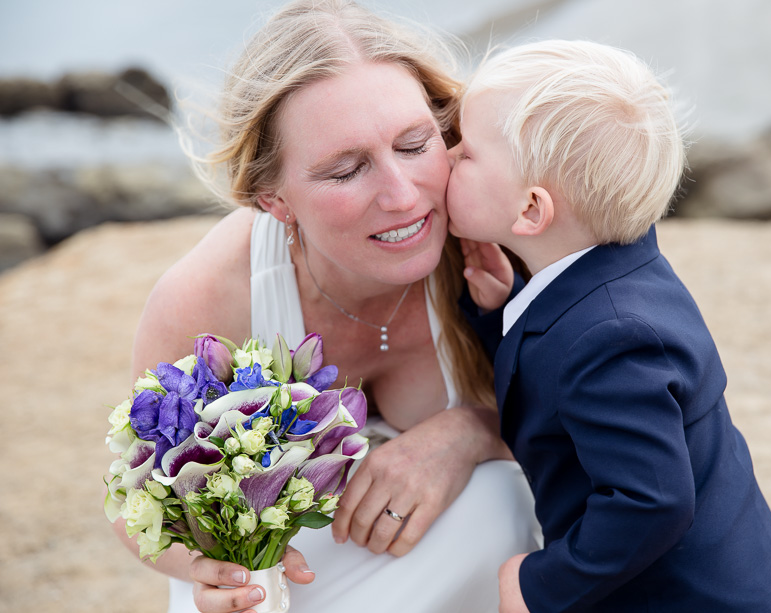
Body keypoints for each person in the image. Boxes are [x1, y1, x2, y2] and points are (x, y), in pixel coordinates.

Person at [109, 2, 540, 612]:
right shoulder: (210, 296)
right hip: (291, 583)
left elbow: (620, 413)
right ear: (275, 200)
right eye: (346, 170)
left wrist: (472, 430)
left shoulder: (507, 231)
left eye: (415, 144)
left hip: (474, 563)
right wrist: (212, 568)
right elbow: (139, 505)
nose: (401, 195)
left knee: (501, 496)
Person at [446, 40, 771, 612]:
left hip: (692, 599)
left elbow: (651, 501)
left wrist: (541, 586)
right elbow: (561, 376)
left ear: (531, 210)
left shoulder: (614, 339)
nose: (446, 156)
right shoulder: (621, 270)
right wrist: (502, 310)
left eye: (466, 154)